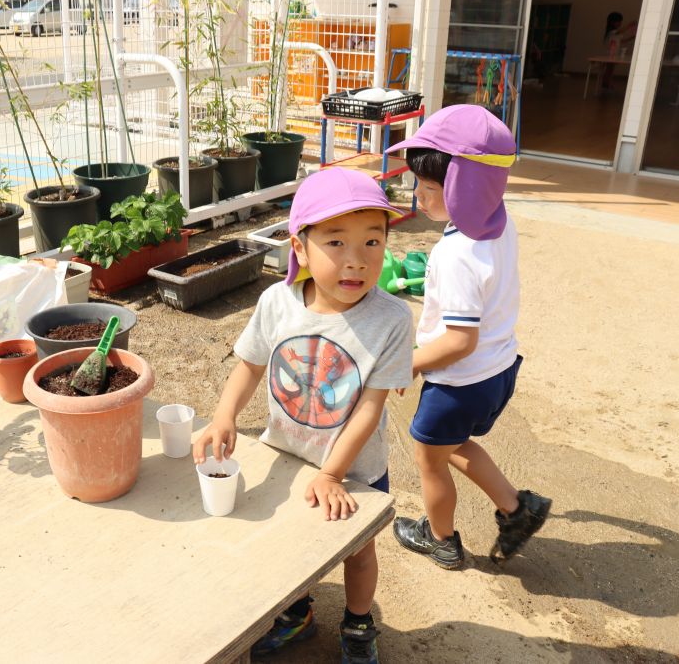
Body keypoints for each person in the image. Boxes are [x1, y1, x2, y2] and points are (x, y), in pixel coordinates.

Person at [193, 167, 413, 664]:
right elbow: (249, 368)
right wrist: (224, 416)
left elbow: (371, 407)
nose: (356, 261)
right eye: (335, 242)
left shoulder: (392, 319)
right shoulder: (276, 302)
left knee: (358, 552)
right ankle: (297, 613)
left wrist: (334, 472)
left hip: (354, 470)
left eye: (372, 242)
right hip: (286, 455)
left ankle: (358, 624)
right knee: (287, 550)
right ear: (299, 247)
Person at [384, 104, 551, 570]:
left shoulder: (455, 254)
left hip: (458, 382)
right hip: (497, 373)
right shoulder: (499, 221)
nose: (419, 196)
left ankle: (440, 539)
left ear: (466, 186)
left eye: (431, 188)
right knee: (453, 445)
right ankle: (517, 509)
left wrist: (410, 362)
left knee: (430, 459)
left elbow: (458, 342)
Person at [602, 11, 637, 90]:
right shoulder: (612, 32)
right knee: (609, 69)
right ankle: (606, 83)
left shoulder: (616, 32)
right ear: (612, 22)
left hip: (614, 53)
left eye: (620, 21)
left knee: (610, 69)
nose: (620, 23)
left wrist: (631, 38)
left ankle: (606, 83)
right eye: (619, 21)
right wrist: (629, 25)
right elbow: (620, 31)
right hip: (610, 53)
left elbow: (621, 41)